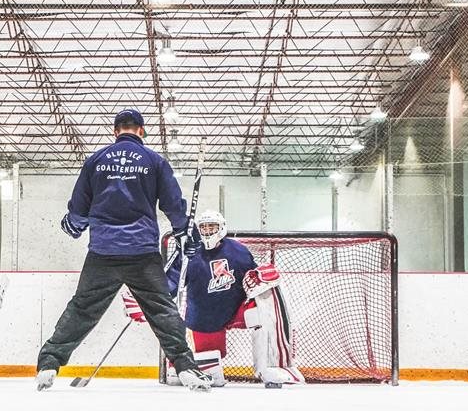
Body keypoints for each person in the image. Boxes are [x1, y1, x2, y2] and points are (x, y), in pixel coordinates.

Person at [36, 109, 212, 392]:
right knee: (163, 311)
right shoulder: (155, 161)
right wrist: (184, 232)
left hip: (103, 252)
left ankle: (48, 364)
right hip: (141, 252)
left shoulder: (96, 160)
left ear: (115, 131)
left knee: (81, 309)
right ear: (141, 131)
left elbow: (80, 205)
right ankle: (187, 367)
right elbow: (173, 204)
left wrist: (74, 224)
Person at [150, 210, 304, 387]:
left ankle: (274, 367)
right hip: (205, 318)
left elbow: (253, 279)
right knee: (209, 374)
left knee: (265, 303)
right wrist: (151, 299)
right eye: (204, 227)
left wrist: (260, 278)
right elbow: (171, 283)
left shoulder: (238, 251)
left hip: (236, 309)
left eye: (212, 227)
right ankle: (183, 367)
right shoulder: (189, 253)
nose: (207, 231)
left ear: (221, 228)